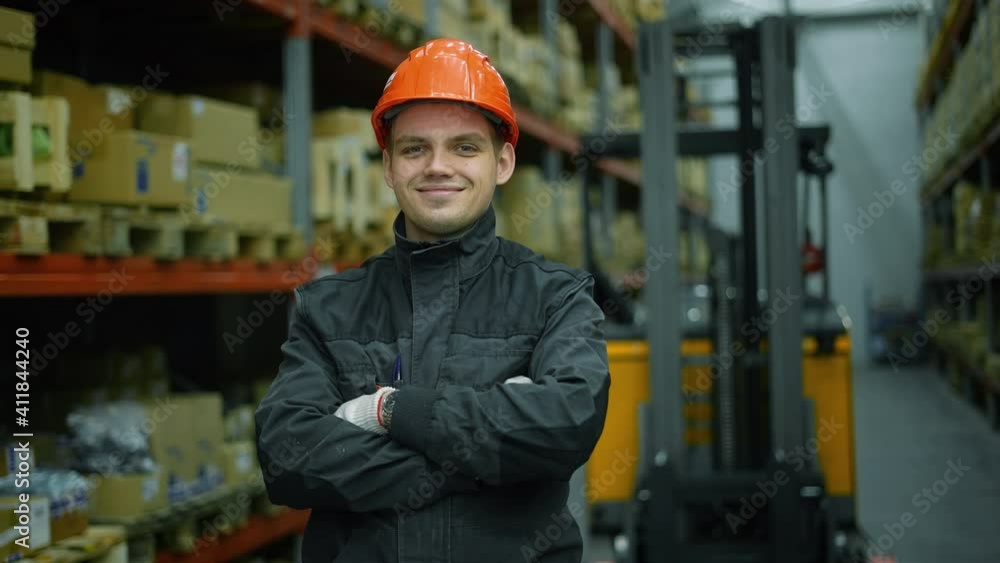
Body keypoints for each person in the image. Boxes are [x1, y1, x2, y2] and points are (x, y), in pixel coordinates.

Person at [255, 38, 611, 563]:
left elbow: (564, 427)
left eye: (464, 147)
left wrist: (388, 410)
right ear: (388, 166)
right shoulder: (328, 309)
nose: (438, 166)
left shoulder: (556, 298)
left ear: (503, 162)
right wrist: (491, 460)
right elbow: (287, 458)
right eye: (414, 149)